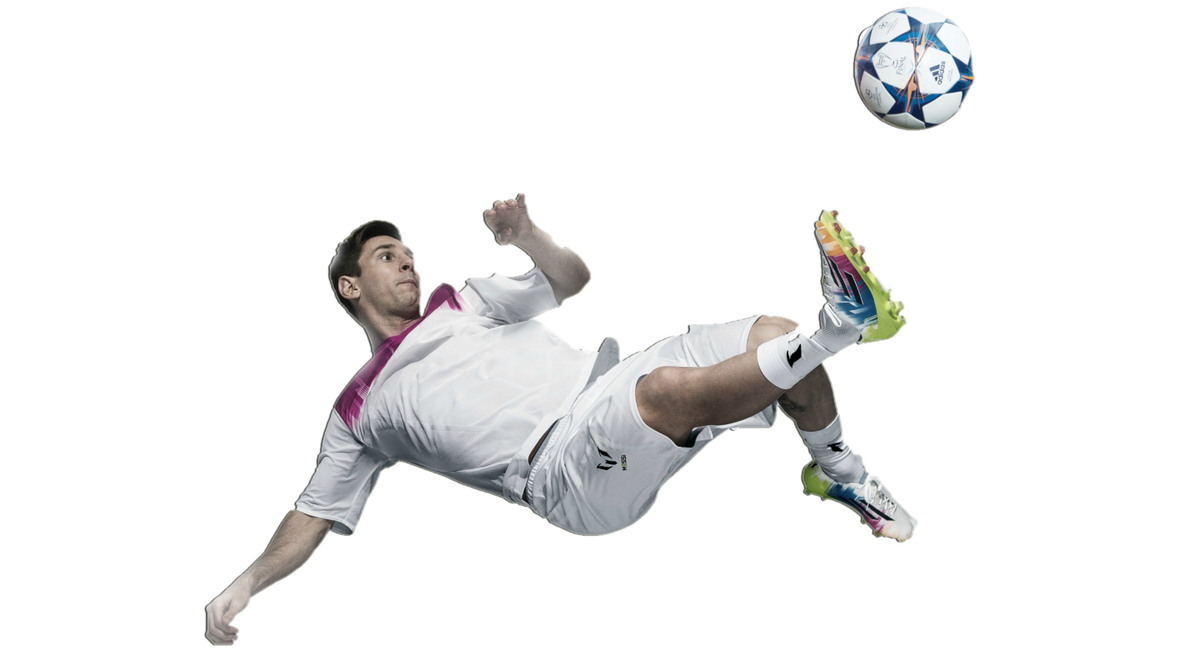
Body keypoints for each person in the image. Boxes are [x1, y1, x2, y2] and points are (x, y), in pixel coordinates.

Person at [203, 195, 916, 646]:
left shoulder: (464, 301)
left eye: (409, 255)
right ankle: (839, 331)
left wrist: (525, 233)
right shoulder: (359, 409)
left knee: (770, 335)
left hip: (609, 384)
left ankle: (838, 470)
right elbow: (314, 513)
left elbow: (571, 280)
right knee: (669, 392)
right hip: (563, 473)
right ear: (351, 286)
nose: (408, 266)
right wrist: (241, 588)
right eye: (388, 258)